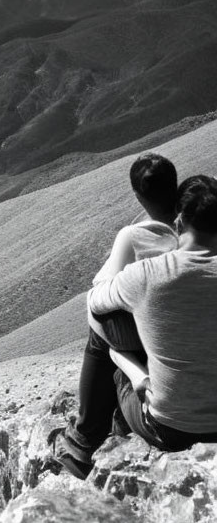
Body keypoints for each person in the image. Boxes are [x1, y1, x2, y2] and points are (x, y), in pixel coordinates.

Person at [51, 152, 180, 478]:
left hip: (167, 397)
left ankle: (83, 441)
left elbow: (103, 290)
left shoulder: (133, 235)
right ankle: (118, 422)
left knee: (101, 330)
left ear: (138, 195)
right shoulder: (195, 228)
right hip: (181, 334)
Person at [89, 174, 217, 452]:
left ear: (179, 222)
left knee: (105, 327)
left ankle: (88, 442)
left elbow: (95, 301)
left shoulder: (146, 275)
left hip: (171, 429)